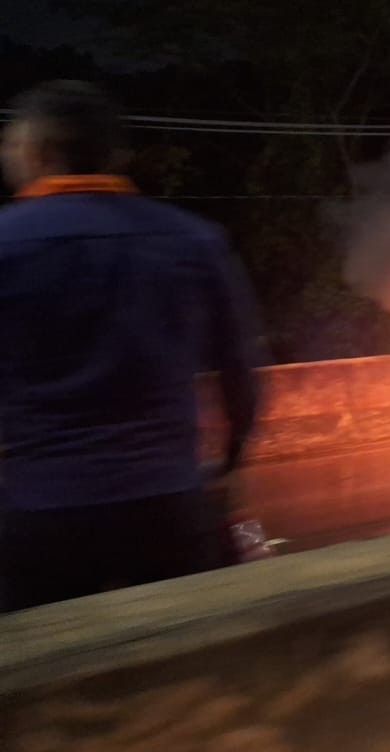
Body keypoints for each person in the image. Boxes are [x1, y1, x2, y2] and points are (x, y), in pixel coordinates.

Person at [0, 81, 262, 611]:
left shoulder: (7, 244)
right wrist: (227, 465)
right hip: (170, 504)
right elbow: (242, 370)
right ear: (115, 155)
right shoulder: (192, 240)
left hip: (38, 514)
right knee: (196, 666)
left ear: (37, 152)